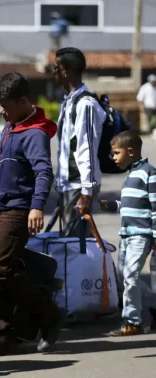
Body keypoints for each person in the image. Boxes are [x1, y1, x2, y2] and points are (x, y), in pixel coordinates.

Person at [0, 72, 60, 359]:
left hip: (19, 209)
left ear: (23, 101)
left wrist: (37, 206)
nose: (1, 110)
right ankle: (2, 336)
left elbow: (43, 172)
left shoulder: (34, 133)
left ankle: (47, 313)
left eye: (6, 105)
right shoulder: (10, 126)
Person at [99, 131, 156, 336]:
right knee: (125, 276)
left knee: (130, 277)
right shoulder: (131, 173)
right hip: (126, 234)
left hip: (141, 235)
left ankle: (132, 321)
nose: (113, 158)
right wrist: (113, 205)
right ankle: (152, 306)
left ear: (130, 151)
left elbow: (154, 205)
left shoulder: (149, 172)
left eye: (116, 153)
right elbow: (130, 204)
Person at [53, 47, 106, 237]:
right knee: (72, 243)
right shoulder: (69, 102)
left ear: (66, 70)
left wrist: (87, 193)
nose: (53, 73)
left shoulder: (85, 104)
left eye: (55, 68)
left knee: (75, 245)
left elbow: (87, 148)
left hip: (79, 185)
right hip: (69, 185)